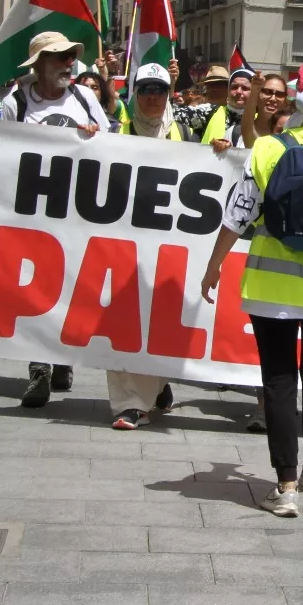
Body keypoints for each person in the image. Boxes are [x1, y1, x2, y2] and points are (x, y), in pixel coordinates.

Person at [199, 62, 303, 518]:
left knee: (277, 379)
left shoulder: (267, 148)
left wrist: (213, 268)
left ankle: (285, 485)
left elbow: (237, 214)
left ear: (293, 98)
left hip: (270, 286)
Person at [3, 30, 105, 406]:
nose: (67, 63)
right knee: (36, 289)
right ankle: (39, 369)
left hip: (77, 214)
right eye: (59, 57)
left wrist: (93, 135)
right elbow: (1, 149)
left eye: (69, 56)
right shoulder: (16, 101)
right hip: (33, 213)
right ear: (40, 63)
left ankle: (62, 358)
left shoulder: (85, 97)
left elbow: (110, 148)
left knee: (70, 289)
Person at [105, 62, 181, 429]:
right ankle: (129, 403)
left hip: (167, 249)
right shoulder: (114, 131)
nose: (153, 97)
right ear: (134, 94)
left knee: (157, 322)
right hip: (121, 246)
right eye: (146, 90)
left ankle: (155, 384)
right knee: (120, 322)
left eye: (160, 90)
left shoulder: (185, 132)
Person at [201, 66, 253, 150]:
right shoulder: (210, 111)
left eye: (245, 88)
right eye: (234, 87)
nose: (239, 92)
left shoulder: (262, 120)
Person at [240, 72, 289, 145]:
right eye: (267, 92)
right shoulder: (235, 133)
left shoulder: (290, 134)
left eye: (279, 94)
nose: (273, 99)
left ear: (285, 100)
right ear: (257, 95)